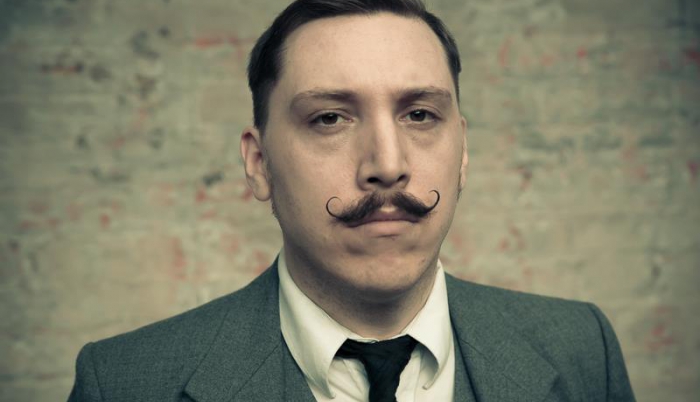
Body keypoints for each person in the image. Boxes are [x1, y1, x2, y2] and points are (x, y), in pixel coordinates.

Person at [68, 0, 636, 401]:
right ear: (259, 163)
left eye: (420, 114)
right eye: (330, 119)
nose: (387, 164)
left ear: (462, 152)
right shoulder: (121, 383)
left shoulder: (583, 349)